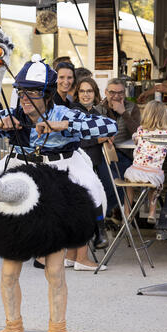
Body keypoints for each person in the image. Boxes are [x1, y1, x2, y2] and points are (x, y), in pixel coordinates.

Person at [0, 55, 118, 272]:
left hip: (62, 163)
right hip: (20, 160)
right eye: (22, 92)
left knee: (90, 185)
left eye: (32, 92)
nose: (25, 98)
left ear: (48, 94)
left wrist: (63, 125)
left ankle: (97, 229)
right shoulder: (13, 114)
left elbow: (109, 126)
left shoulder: (64, 113)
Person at [70, 76, 110, 255]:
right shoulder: (73, 111)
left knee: (89, 205)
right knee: (84, 209)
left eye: (90, 91)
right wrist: (99, 139)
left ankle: (74, 256)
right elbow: (75, 141)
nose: (86, 95)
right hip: (77, 165)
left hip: (93, 164)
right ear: (77, 94)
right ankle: (80, 257)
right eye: (82, 91)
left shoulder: (96, 113)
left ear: (95, 93)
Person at [95, 78, 141, 216]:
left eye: (120, 92)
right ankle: (99, 217)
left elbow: (137, 134)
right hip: (104, 155)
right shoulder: (98, 109)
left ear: (125, 93)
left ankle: (100, 218)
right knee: (113, 186)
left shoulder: (132, 107)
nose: (116, 96)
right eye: (112, 92)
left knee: (125, 187)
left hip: (125, 155)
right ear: (106, 92)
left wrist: (124, 113)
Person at [123, 101, 167, 225]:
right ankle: (152, 212)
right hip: (153, 174)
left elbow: (135, 139)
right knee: (153, 186)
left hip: (135, 172)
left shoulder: (140, 131)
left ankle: (127, 212)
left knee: (129, 185)